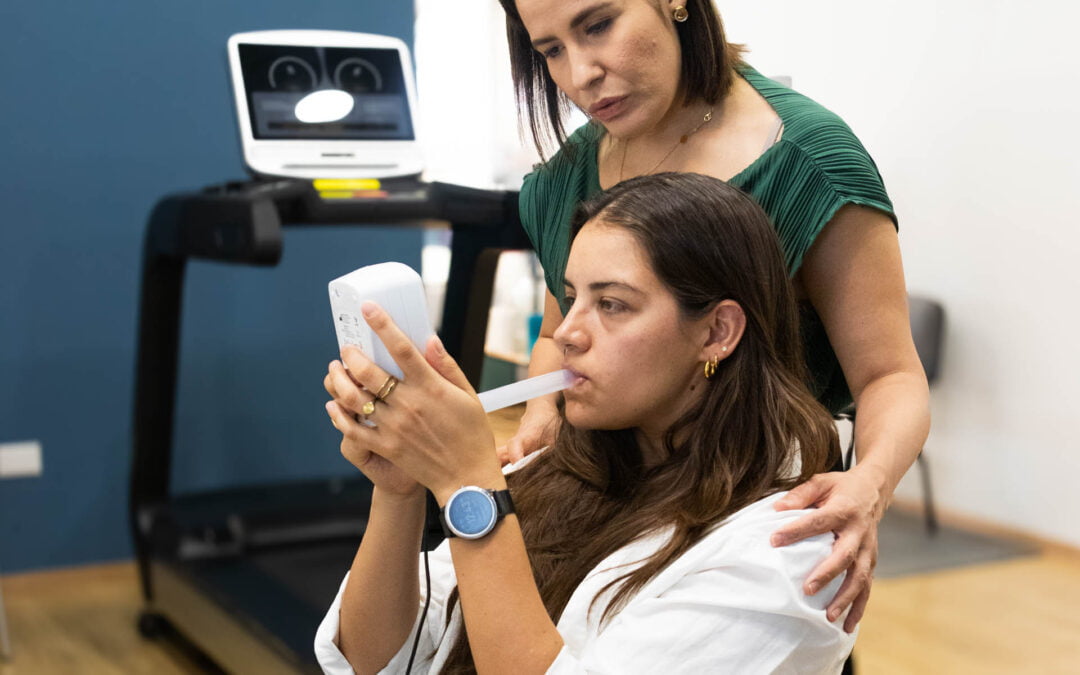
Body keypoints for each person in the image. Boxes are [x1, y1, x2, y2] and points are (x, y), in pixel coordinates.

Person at [496, 0, 931, 631]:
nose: (579, 74)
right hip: (605, 521)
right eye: (551, 50)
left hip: (747, 533)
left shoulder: (807, 164)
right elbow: (565, 323)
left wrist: (870, 485)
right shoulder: (570, 172)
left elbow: (890, 374)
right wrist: (542, 413)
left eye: (598, 26)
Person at [317, 173, 857, 673]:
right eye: (572, 298)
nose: (568, 334)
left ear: (717, 332)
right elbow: (372, 661)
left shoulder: (787, 552)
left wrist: (468, 485)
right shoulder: (558, 467)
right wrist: (400, 493)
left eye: (613, 305)